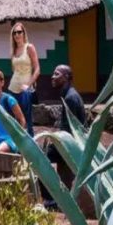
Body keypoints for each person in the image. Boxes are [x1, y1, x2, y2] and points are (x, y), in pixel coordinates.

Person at [41, 65, 86, 209]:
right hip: (68, 142)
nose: (52, 77)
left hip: (70, 145)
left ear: (66, 77)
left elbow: (70, 129)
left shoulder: (71, 98)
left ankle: (51, 200)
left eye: (57, 74)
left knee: (40, 159)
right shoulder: (68, 95)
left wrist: (53, 140)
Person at [7, 22, 40, 137]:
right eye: (14, 33)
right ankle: (15, 146)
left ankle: (30, 146)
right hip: (12, 88)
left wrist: (29, 84)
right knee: (14, 117)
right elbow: (14, 70)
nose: (17, 35)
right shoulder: (13, 51)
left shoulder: (29, 47)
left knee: (27, 119)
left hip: (25, 89)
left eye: (19, 32)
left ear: (23, 33)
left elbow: (37, 69)